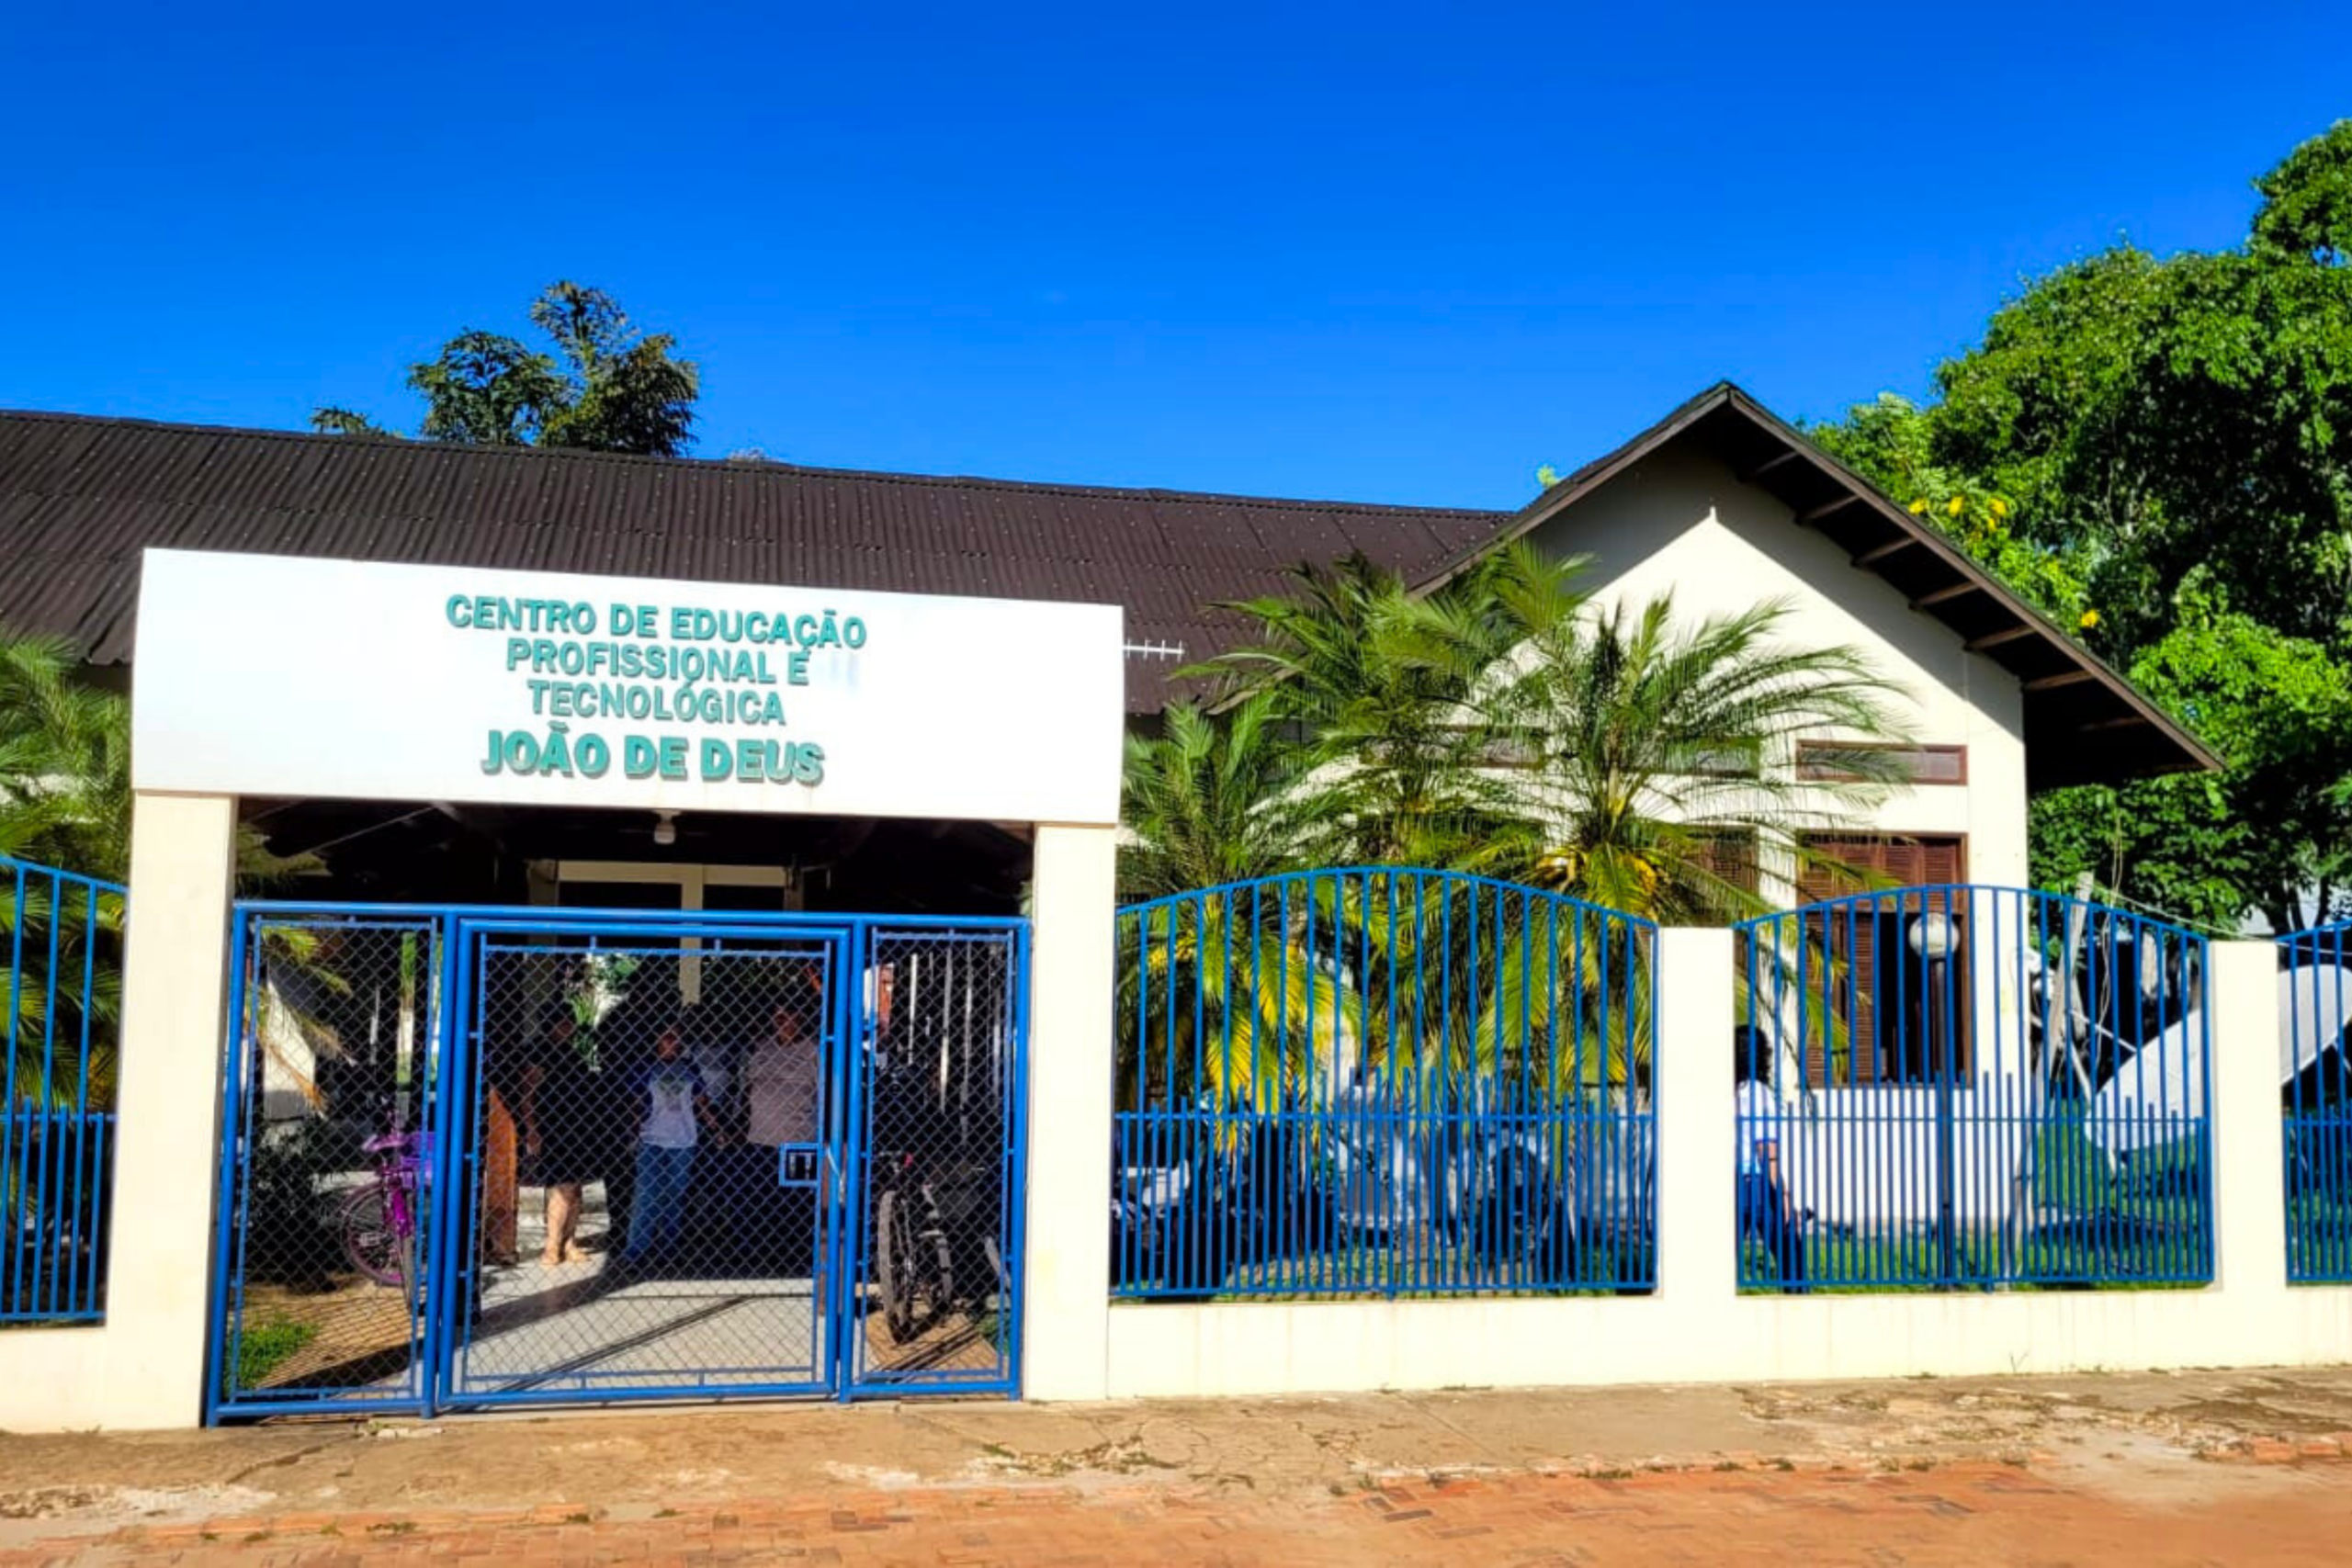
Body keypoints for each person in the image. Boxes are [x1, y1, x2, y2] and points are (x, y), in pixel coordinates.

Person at [743, 974, 826, 1276]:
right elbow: (746, 1089)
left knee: (798, 1203)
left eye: (786, 1015)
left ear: (798, 1018)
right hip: (760, 1140)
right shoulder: (762, 1049)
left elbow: (824, 1093)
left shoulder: (812, 1051)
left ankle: (797, 1259)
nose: (781, 1022)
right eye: (776, 1016)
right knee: (763, 1203)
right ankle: (765, 1258)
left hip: (799, 1141)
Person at [620, 1017, 711, 1270]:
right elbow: (635, 1104)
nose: (672, 1041)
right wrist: (631, 1132)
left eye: (676, 1036)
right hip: (652, 1139)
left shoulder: (689, 1068)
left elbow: (701, 1101)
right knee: (646, 1194)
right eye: (667, 1036)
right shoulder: (646, 1067)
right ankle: (636, 1251)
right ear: (657, 1040)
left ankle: (668, 1249)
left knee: (674, 1196)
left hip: (683, 1140)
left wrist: (717, 1128)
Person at [1734, 1025, 1807, 1292]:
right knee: (1790, 1252)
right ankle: (1798, 1302)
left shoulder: (1727, 1093)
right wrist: (1784, 1195)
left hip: (1730, 1182)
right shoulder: (1759, 1093)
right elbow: (1767, 1151)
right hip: (1757, 1184)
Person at [520, 1003, 594, 1267]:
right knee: (562, 1187)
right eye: (562, 1022)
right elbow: (528, 1092)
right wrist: (531, 1128)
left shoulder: (571, 1052)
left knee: (575, 1188)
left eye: (570, 1022)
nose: (568, 1027)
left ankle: (569, 1242)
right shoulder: (540, 1050)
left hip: (576, 1126)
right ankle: (551, 1246)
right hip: (553, 1126)